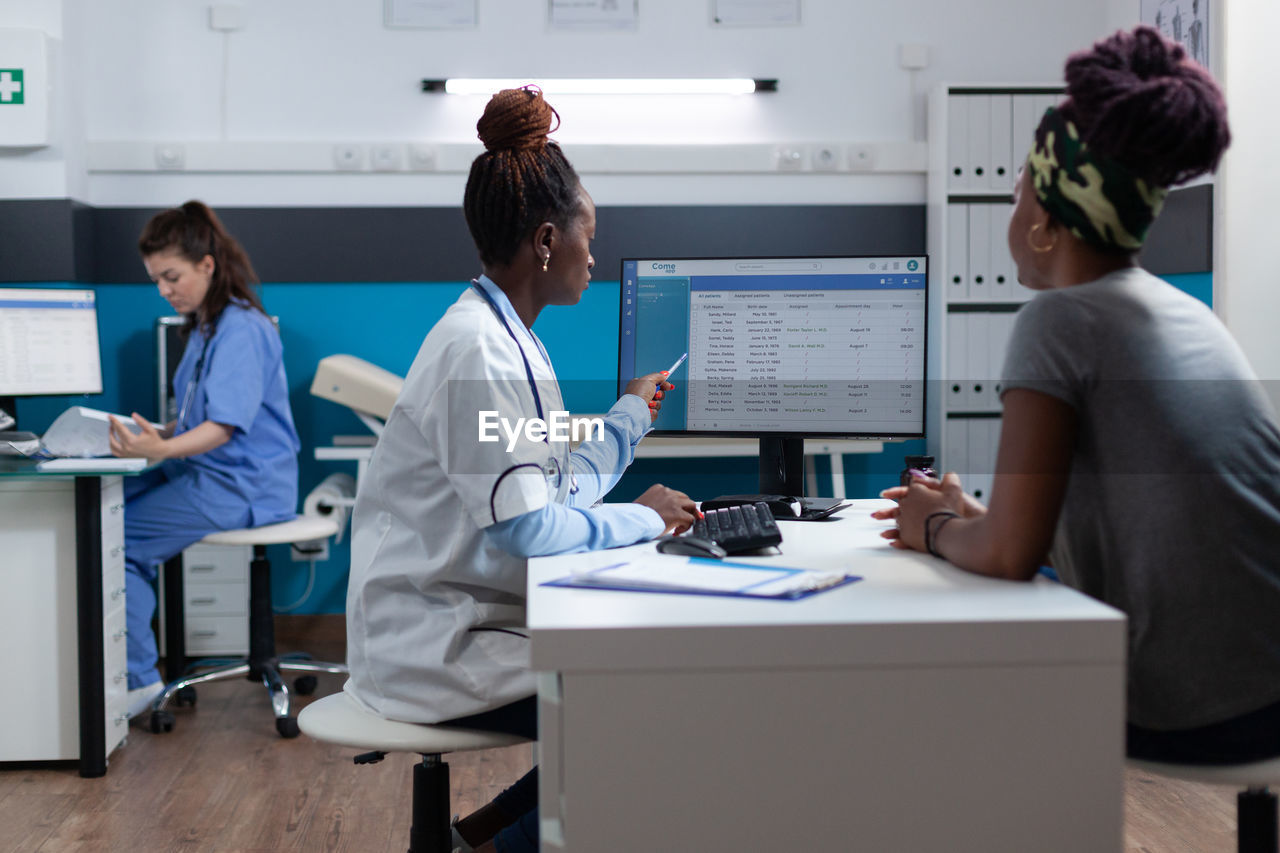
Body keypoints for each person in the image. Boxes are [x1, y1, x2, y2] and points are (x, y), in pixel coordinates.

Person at [876, 25, 1280, 765]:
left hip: (1200, 710)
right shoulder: (1177, 309)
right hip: (1265, 685)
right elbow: (1069, 524)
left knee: (938, 718)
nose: (1010, 206)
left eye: (1015, 189)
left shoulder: (1059, 320)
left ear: (1043, 221)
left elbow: (1010, 556)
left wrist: (931, 530)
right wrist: (969, 515)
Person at [343, 86, 697, 853]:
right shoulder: (479, 349)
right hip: (436, 641)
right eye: (588, 237)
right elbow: (530, 528)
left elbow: (555, 486)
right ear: (546, 240)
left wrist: (628, 418)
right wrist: (648, 518)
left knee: (638, 678)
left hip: (466, 614)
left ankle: (479, 835)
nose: (593, 257)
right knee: (642, 691)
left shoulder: (512, 340)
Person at [109, 201, 301, 719]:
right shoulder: (204, 327)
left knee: (116, 542)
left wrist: (163, 449)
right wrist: (158, 435)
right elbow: (201, 417)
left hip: (243, 484)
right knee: (99, 511)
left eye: (171, 276)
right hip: (208, 469)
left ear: (207, 265)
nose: (164, 290)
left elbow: (225, 426)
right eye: (156, 281)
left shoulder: (242, 328)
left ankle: (140, 685)